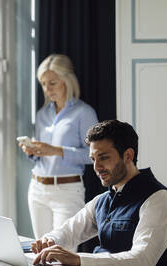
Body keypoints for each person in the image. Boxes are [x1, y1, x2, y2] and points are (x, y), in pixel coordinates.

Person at [31, 120, 167, 266]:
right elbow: (69, 231)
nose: (96, 167)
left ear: (128, 155)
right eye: (93, 159)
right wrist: (50, 240)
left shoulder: (159, 200)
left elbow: (141, 263)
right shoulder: (102, 200)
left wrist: (78, 259)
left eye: (103, 158)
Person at [19, 54, 98, 239]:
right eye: (43, 84)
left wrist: (56, 151)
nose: (47, 89)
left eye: (52, 83)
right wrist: (32, 151)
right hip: (37, 190)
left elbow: (93, 155)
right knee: (42, 253)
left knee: (62, 254)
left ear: (67, 81)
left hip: (67, 192)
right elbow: (42, 155)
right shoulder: (42, 115)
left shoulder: (84, 113)